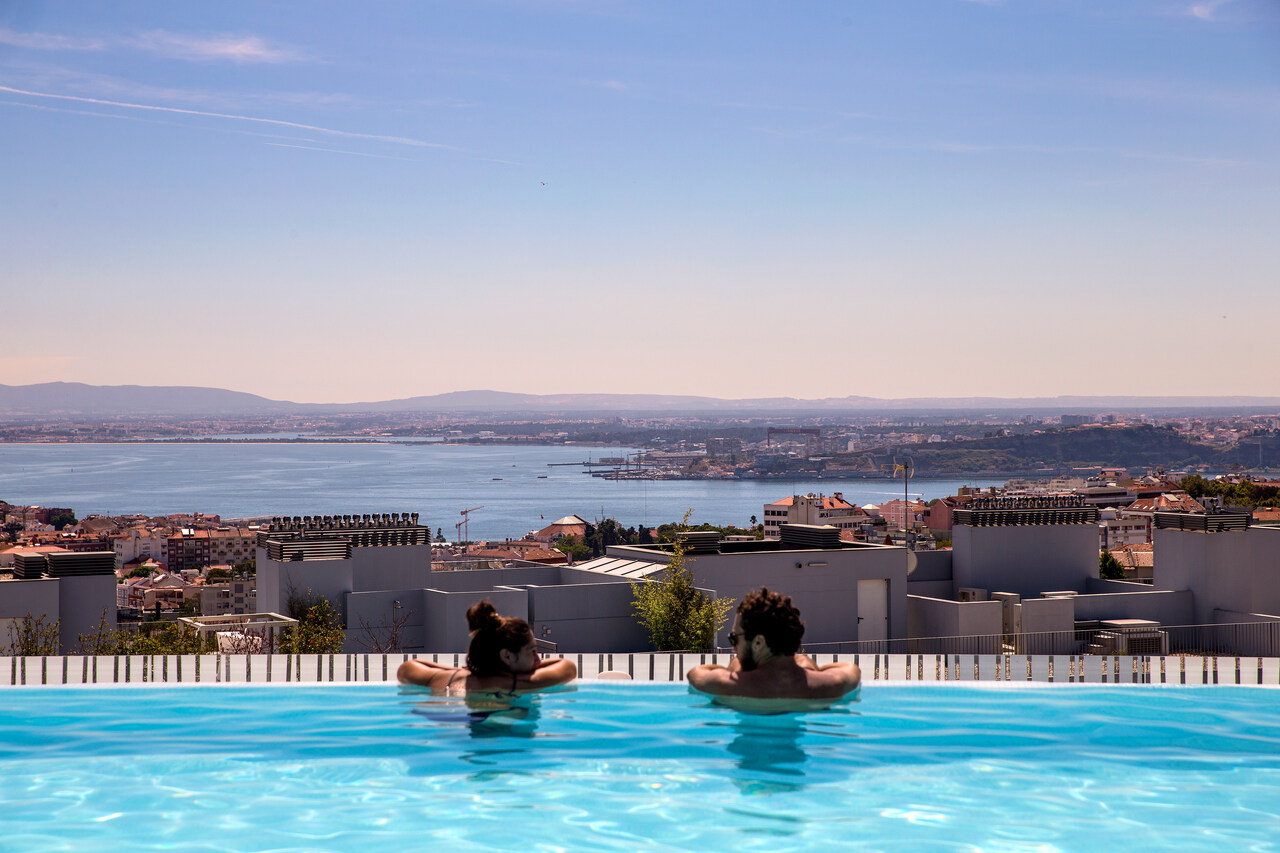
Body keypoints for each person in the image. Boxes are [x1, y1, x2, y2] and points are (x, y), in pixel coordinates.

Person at [687, 587, 861, 713]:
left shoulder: (725, 685)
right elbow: (851, 669)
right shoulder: (834, 685)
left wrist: (738, 667)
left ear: (758, 642)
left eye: (735, 639)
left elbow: (695, 673)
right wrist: (805, 666)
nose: (734, 648)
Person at [396, 600, 577, 698]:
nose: (537, 659)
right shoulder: (522, 683)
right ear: (507, 656)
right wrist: (519, 673)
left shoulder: (447, 679)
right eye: (532, 651)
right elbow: (567, 667)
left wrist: (470, 670)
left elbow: (407, 668)